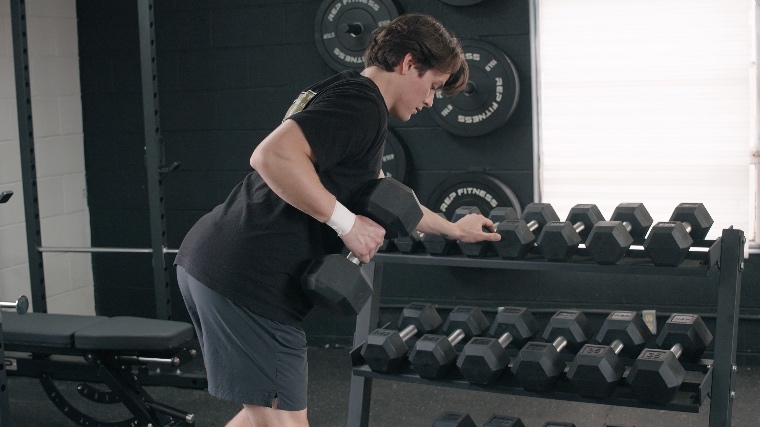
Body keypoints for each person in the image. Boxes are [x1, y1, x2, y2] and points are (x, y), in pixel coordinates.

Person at [175, 13, 502, 427]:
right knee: (284, 422)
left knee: (262, 418)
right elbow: (270, 156)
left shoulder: (351, 95)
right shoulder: (360, 106)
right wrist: (347, 224)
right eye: (433, 86)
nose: (430, 101)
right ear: (407, 64)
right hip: (248, 277)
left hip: (220, 263)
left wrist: (455, 228)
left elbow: (389, 197)